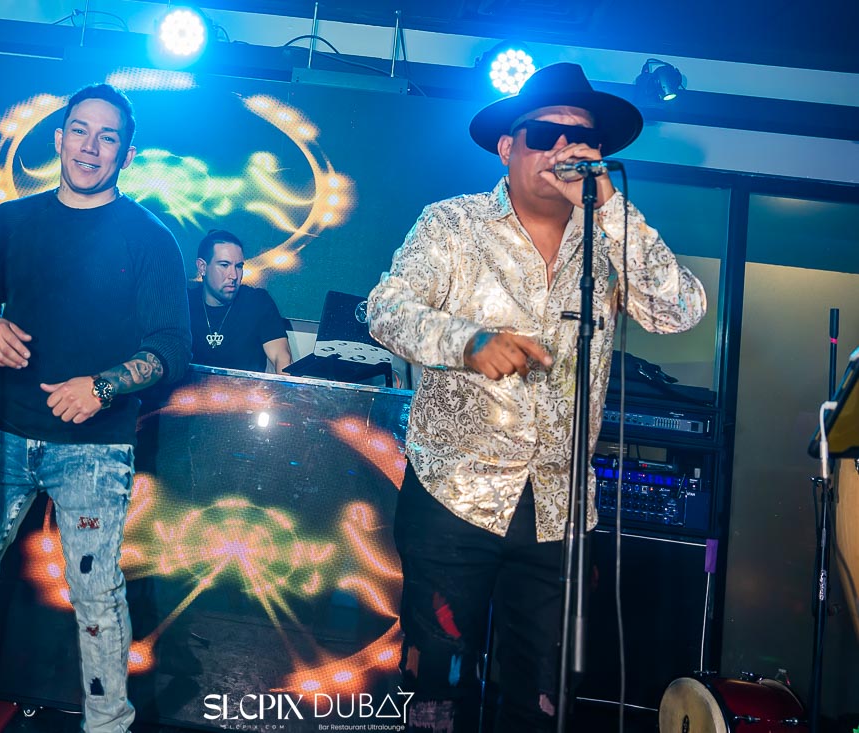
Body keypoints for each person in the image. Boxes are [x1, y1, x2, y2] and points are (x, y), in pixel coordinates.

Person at [366, 63, 707, 732]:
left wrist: (611, 208)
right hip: (454, 497)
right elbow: (386, 309)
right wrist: (468, 341)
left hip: (559, 512)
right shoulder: (453, 225)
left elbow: (680, 310)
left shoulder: (608, 244)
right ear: (507, 147)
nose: (563, 150)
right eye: (545, 135)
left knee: (543, 698)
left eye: (581, 140)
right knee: (437, 689)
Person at [0, 83, 192, 733]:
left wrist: (102, 386)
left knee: (97, 595)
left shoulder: (151, 238)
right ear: (59, 138)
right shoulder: (12, 221)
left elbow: (172, 349)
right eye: (79, 130)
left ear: (127, 153)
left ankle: (107, 724)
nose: (90, 146)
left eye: (107, 136)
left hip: (96, 446)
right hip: (1, 432)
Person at [186, 229, 292, 374]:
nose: (234, 276)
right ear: (202, 267)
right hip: (191, 388)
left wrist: (286, 385)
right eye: (224, 265)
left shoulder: (257, 302)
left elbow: (282, 357)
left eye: (239, 266)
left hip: (246, 389)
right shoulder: (184, 304)